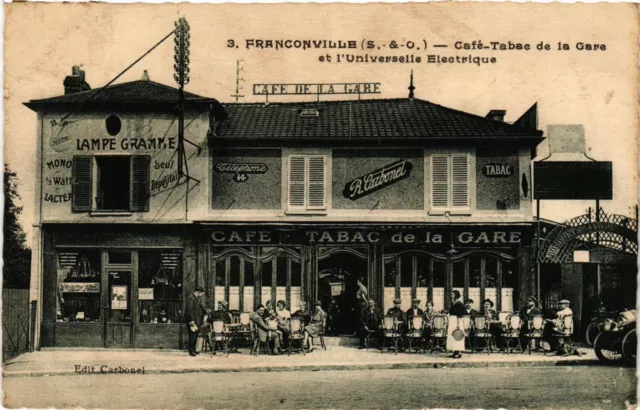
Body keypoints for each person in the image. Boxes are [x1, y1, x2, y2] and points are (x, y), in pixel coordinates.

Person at [184, 286, 208, 357]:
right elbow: (189, 310)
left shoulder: (197, 299)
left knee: (195, 336)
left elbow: (199, 309)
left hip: (197, 321)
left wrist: (205, 311)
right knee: (192, 336)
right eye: (201, 293)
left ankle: (193, 350)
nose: (202, 295)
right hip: (192, 321)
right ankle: (191, 351)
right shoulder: (190, 299)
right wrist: (191, 320)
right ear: (198, 292)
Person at [447, 290, 467, 358]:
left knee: (457, 336)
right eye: (451, 294)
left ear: (456, 295)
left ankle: (459, 352)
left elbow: (460, 315)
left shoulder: (459, 304)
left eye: (452, 294)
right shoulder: (453, 303)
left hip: (457, 321)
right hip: (452, 321)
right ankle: (455, 351)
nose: (451, 296)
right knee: (452, 336)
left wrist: (458, 324)